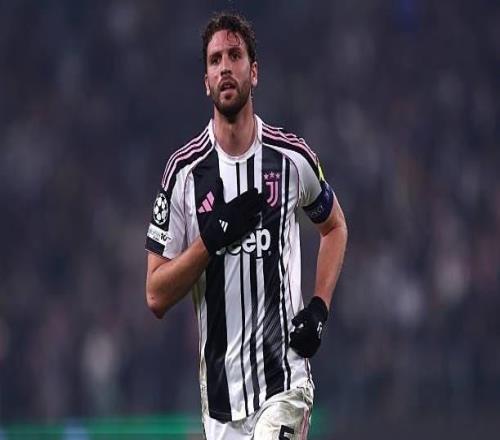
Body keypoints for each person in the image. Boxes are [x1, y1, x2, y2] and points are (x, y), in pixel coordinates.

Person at [145, 12, 347, 440]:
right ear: (205, 81)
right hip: (221, 403)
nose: (225, 67)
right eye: (215, 59)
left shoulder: (291, 158)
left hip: (285, 382)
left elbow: (334, 228)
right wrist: (209, 241)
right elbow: (156, 294)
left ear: (253, 73)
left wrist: (319, 308)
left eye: (234, 56)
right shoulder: (183, 174)